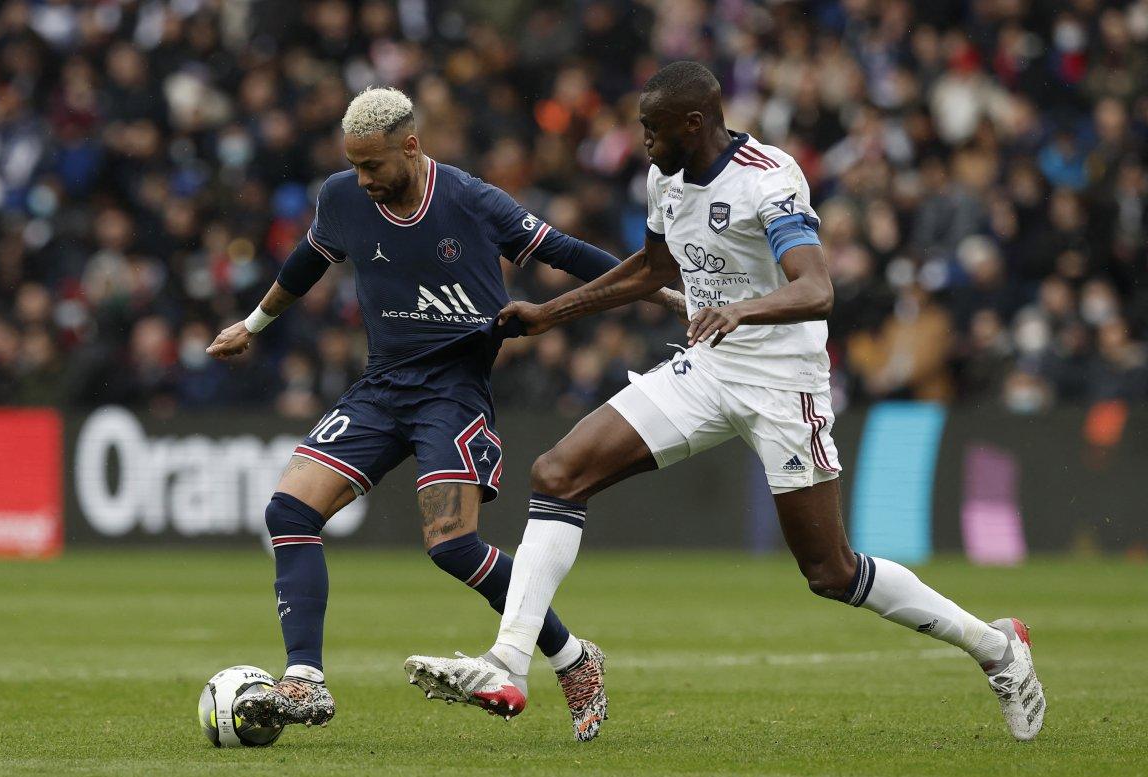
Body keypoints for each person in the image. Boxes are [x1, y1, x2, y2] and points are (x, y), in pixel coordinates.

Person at [404, 62, 1046, 742]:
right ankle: (510, 660)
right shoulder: (665, 178)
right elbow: (653, 269)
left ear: (694, 123)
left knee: (829, 571)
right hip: (707, 368)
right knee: (558, 473)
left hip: (782, 383)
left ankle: (997, 647)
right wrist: (550, 313)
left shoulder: (768, 178)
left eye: (652, 130)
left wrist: (742, 309)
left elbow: (816, 287)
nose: (643, 142)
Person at [206, 86, 687, 742]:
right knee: (288, 512)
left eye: (373, 165)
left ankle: (572, 657)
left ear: (410, 146)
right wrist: (254, 323)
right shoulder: (342, 197)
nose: (363, 179)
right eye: (354, 165)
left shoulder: (472, 200)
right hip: (381, 388)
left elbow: (566, 252)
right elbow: (307, 262)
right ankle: (305, 678)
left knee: (453, 547)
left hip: (452, 394)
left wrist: (667, 296)